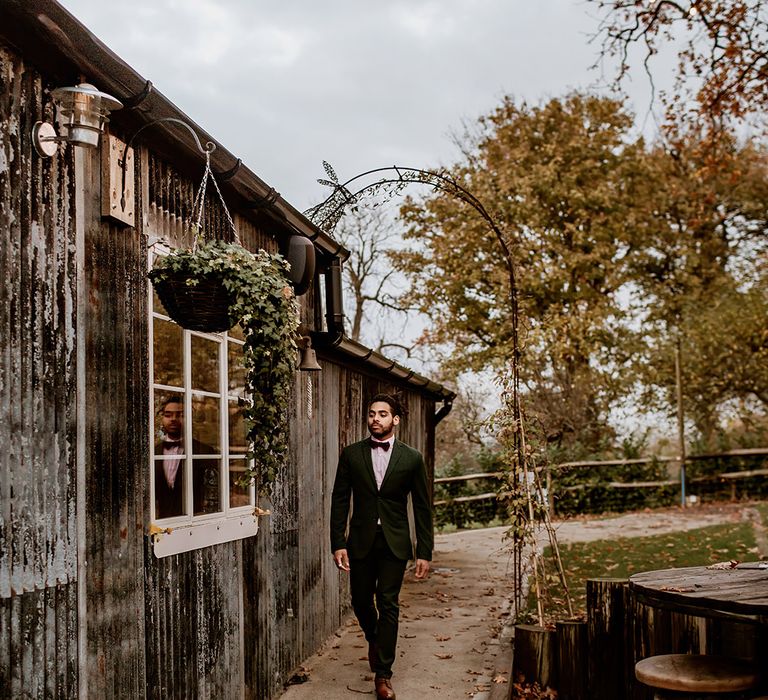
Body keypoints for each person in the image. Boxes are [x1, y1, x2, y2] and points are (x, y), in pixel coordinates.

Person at [330, 393, 433, 700]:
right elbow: (339, 500)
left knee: (388, 603)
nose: (376, 418)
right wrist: (338, 542)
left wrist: (423, 551)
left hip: (395, 542)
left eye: (383, 414)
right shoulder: (351, 454)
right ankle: (376, 640)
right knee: (360, 601)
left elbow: (423, 507)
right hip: (360, 541)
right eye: (372, 413)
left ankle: (383, 675)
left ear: (395, 420)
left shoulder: (411, 458)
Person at [154, 395, 219, 518]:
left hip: (194, 524)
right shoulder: (153, 452)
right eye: (168, 415)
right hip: (160, 526)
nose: (173, 419)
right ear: (162, 418)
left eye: (180, 415)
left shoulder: (205, 451)